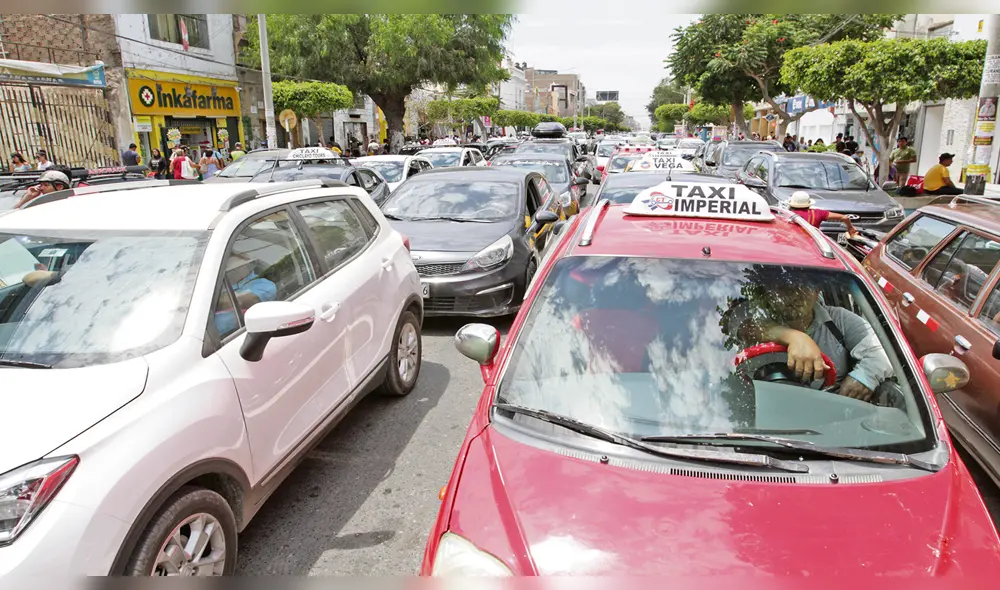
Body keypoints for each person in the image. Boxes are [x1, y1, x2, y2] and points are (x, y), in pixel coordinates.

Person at [725, 266, 894, 402]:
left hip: (828, 419)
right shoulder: (752, 314)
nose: (795, 295)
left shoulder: (840, 320)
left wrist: (863, 377)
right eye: (783, 288)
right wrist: (794, 337)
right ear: (768, 292)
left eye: (803, 285)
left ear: (817, 290)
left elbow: (886, 351)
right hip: (756, 412)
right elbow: (739, 323)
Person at [213, 253, 277, 336]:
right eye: (230, 268)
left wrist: (211, 301)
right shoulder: (219, 287)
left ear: (248, 264)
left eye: (237, 266)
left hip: (236, 334)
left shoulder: (264, 284)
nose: (234, 271)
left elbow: (246, 300)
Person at [787, 191, 858, 237]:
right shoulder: (818, 213)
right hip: (814, 242)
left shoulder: (787, 214)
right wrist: (850, 228)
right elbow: (844, 218)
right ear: (808, 203)